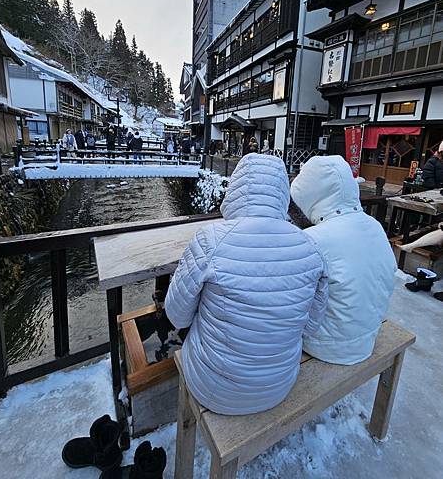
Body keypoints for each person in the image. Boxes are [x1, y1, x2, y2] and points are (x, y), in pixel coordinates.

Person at [165, 154, 327, 415]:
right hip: (279, 384)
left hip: (214, 389)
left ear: (235, 188)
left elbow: (177, 315)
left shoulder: (211, 240)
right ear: (282, 193)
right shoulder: (310, 247)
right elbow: (311, 326)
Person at [290, 155, 397, 365]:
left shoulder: (315, 239)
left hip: (327, 346)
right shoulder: (374, 225)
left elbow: (294, 301)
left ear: (310, 195)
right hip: (367, 338)